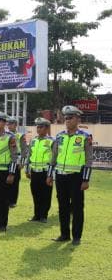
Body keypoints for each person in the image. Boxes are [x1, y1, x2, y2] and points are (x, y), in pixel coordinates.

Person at [47, 105, 93, 245]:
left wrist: (85, 179)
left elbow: (88, 160)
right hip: (60, 176)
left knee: (77, 207)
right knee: (63, 206)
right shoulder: (59, 136)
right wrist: (49, 175)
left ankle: (77, 236)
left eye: (70, 117)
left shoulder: (85, 137)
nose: (67, 120)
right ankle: (64, 234)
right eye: (66, 118)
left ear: (77, 119)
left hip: (76, 177)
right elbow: (53, 158)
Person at [26, 117, 54, 223]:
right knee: (35, 193)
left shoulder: (51, 141)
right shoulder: (33, 141)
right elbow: (30, 155)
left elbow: (53, 159)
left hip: (45, 171)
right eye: (37, 127)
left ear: (47, 128)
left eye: (41, 127)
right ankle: (36, 215)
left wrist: (51, 174)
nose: (38, 129)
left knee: (46, 194)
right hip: (34, 171)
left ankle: (44, 215)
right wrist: (27, 169)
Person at [6, 117, 28, 208]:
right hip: (7, 160)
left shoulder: (20, 135)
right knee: (6, 181)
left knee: (15, 182)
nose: (9, 126)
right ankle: (6, 199)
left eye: (11, 124)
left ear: (15, 125)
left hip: (17, 160)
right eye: (8, 124)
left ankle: (13, 201)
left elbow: (24, 149)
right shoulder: (5, 135)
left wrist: (22, 162)